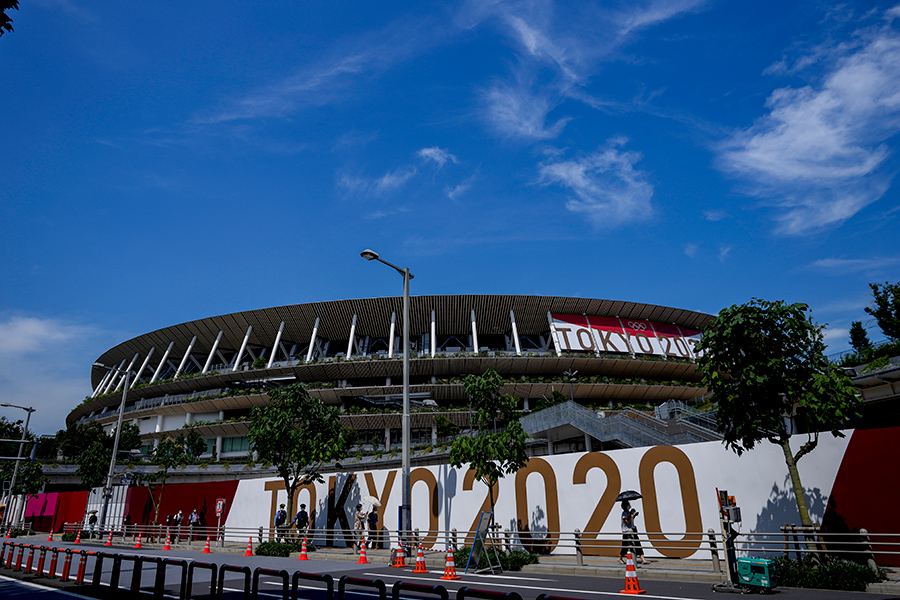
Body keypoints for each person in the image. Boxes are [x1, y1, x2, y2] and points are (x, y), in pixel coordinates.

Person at [619, 500, 646, 565]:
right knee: (625, 546)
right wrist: (630, 514)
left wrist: (634, 515)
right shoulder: (624, 513)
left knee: (637, 543)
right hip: (626, 532)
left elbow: (631, 520)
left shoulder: (628, 512)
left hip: (632, 530)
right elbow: (627, 521)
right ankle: (620, 557)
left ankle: (643, 559)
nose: (629, 505)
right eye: (628, 504)